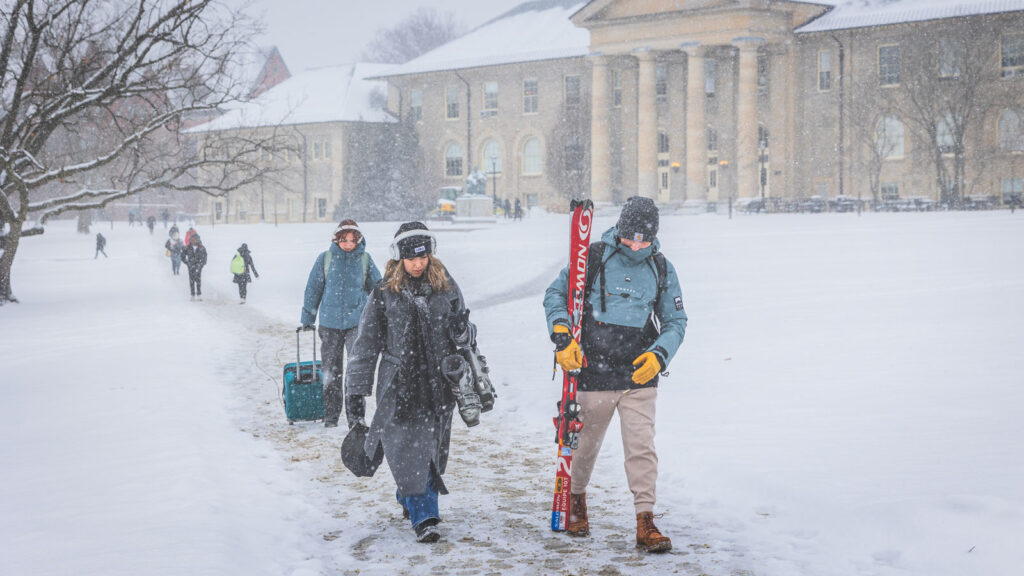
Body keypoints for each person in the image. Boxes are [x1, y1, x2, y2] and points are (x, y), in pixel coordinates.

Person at [543, 196, 687, 553]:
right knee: (586, 445)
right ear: (620, 230)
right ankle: (575, 501)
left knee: (641, 448)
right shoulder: (591, 258)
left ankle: (645, 520)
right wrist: (562, 338)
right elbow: (555, 295)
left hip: (639, 374)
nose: (636, 244)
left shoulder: (661, 268)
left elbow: (676, 321)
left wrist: (660, 355)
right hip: (593, 371)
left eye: (644, 238)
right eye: (630, 237)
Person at [345, 221, 473, 544]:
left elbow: (467, 333)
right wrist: (356, 395)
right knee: (409, 452)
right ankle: (425, 515)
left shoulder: (445, 286)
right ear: (400, 257)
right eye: (412, 257)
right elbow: (365, 346)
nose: (418, 263)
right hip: (398, 388)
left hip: (438, 387)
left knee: (430, 452)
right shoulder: (385, 292)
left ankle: (410, 496)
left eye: (423, 256)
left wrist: (463, 333)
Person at [301, 220, 382, 428]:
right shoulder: (326, 259)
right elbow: (313, 289)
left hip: (357, 323)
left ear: (358, 240)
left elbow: (378, 291)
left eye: (352, 240)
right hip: (329, 324)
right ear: (336, 239)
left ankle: (356, 418)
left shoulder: (365, 260)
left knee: (356, 371)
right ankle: (331, 416)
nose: (348, 244)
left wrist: (383, 316)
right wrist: (308, 318)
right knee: (330, 373)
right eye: (344, 239)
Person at [180, 233, 207, 301]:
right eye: (191, 239)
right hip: (191, 266)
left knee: (198, 280)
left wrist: (202, 264)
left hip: (198, 266)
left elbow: (205, 256)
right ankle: (192, 294)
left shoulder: (201, 247)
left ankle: (199, 294)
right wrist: (187, 262)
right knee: (191, 281)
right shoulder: (187, 247)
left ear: (197, 240)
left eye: (193, 239)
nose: (192, 241)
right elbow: (182, 255)